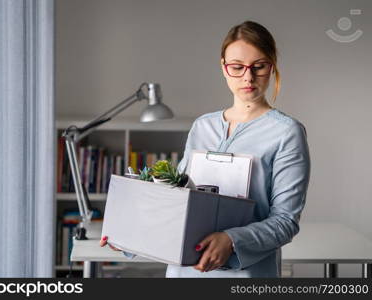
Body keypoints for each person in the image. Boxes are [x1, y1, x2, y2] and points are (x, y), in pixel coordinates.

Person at [100, 20, 310, 278]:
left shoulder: (286, 132)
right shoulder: (203, 126)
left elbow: (285, 222)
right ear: (223, 67)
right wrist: (128, 233)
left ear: (272, 66)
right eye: (237, 67)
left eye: (259, 66)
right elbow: (176, 201)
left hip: (245, 273)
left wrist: (231, 239)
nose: (248, 76)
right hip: (184, 270)